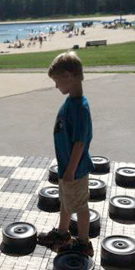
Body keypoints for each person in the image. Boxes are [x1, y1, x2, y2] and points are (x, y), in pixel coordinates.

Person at [38, 51, 95, 257]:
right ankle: (62, 233)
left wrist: (70, 169)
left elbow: (80, 143)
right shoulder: (72, 102)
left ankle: (83, 243)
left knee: (80, 206)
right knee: (66, 200)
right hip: (67, 167)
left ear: (68, 77)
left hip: (75, 170)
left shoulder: (79, 107)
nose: (56, 86)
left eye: (56, 81)